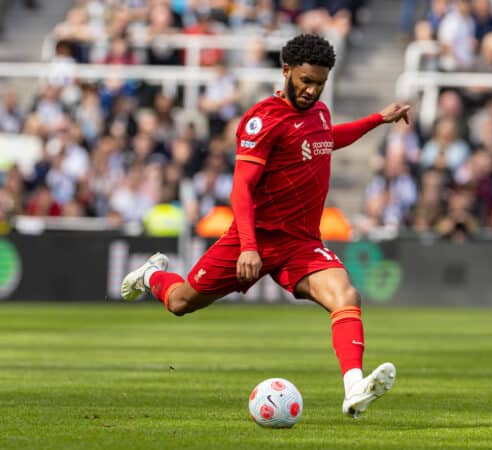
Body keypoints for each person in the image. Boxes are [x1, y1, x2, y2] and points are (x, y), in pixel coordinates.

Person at [120, 33, 410, 418]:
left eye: (320, 83)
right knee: (180, 302)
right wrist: (249, 247)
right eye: (306, 81)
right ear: (287, 70)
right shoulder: (264, 120)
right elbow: (241, 188)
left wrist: (378, 119)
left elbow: (327, 138)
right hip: (253, 239)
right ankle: (153, 275)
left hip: (301, 243)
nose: (312, 90)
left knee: (347, 296)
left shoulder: (319, 114)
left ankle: (354, 387)